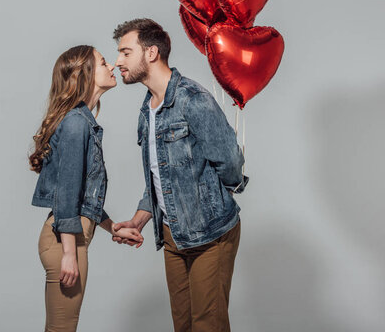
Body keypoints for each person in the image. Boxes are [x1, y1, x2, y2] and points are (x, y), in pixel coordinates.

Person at [111, 19, 249, 332]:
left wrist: (208, 202)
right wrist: (140, 218)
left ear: (151, 53)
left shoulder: (192, 100)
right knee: (184, 325)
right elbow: (161, 174)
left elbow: (229, 161)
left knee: (207, 326)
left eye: (125, 52)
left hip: (210, 234)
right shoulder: (148, 108)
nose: (118, 61)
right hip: (173, 236)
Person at [29, 45, 143, 332]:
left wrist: (112, 227)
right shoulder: (77, 124)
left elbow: (81, 195)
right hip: (65, 242)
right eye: (104, 63)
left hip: (67, 238)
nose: (112, 67)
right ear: (86, 75)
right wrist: (69, 253)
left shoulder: (80, 121)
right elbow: (67, 193)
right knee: (62, 328)